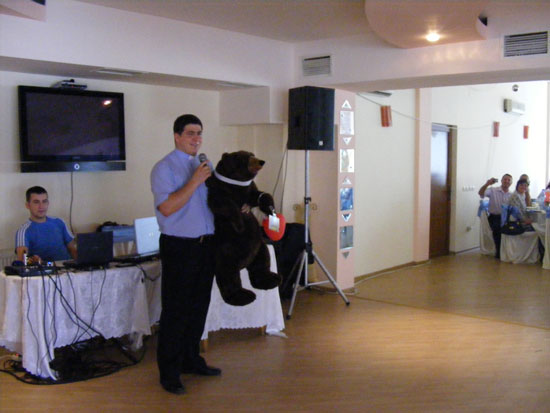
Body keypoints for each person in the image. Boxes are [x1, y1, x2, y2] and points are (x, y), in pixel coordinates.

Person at [150, 114, 220, 395]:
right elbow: (167, 208)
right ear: (177, 136)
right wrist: (194, 181)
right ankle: (169, 373)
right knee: (176, 311)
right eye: (190, 133)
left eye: (199, 133)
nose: (196, 138)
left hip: (206, 245)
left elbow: (212, 203)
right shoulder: (164, 168)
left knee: (199, 307)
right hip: (180, 246)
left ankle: (191, 360)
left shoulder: (203, 165)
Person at [15, 186, 76, 264]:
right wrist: (34, 261)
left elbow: (73, 250)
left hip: (69, 267)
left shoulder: (59, 222)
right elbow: (22, 260)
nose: (41, 206)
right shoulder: (23, 231)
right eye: (36, 202)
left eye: (44, 201)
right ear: (28, 205)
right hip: (46, 269)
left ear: (48, 203)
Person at [478, 174, 513, 259]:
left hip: (506, 218)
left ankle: (507, 252)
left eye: (509, 180)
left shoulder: (511, 195)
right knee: (498, 230)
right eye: (505, 179)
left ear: (511, 183)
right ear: (501, 181)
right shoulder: (493, 190)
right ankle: (499, 252)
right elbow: (481, 193)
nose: (506, 181)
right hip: (495, 217)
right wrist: (487, 184)